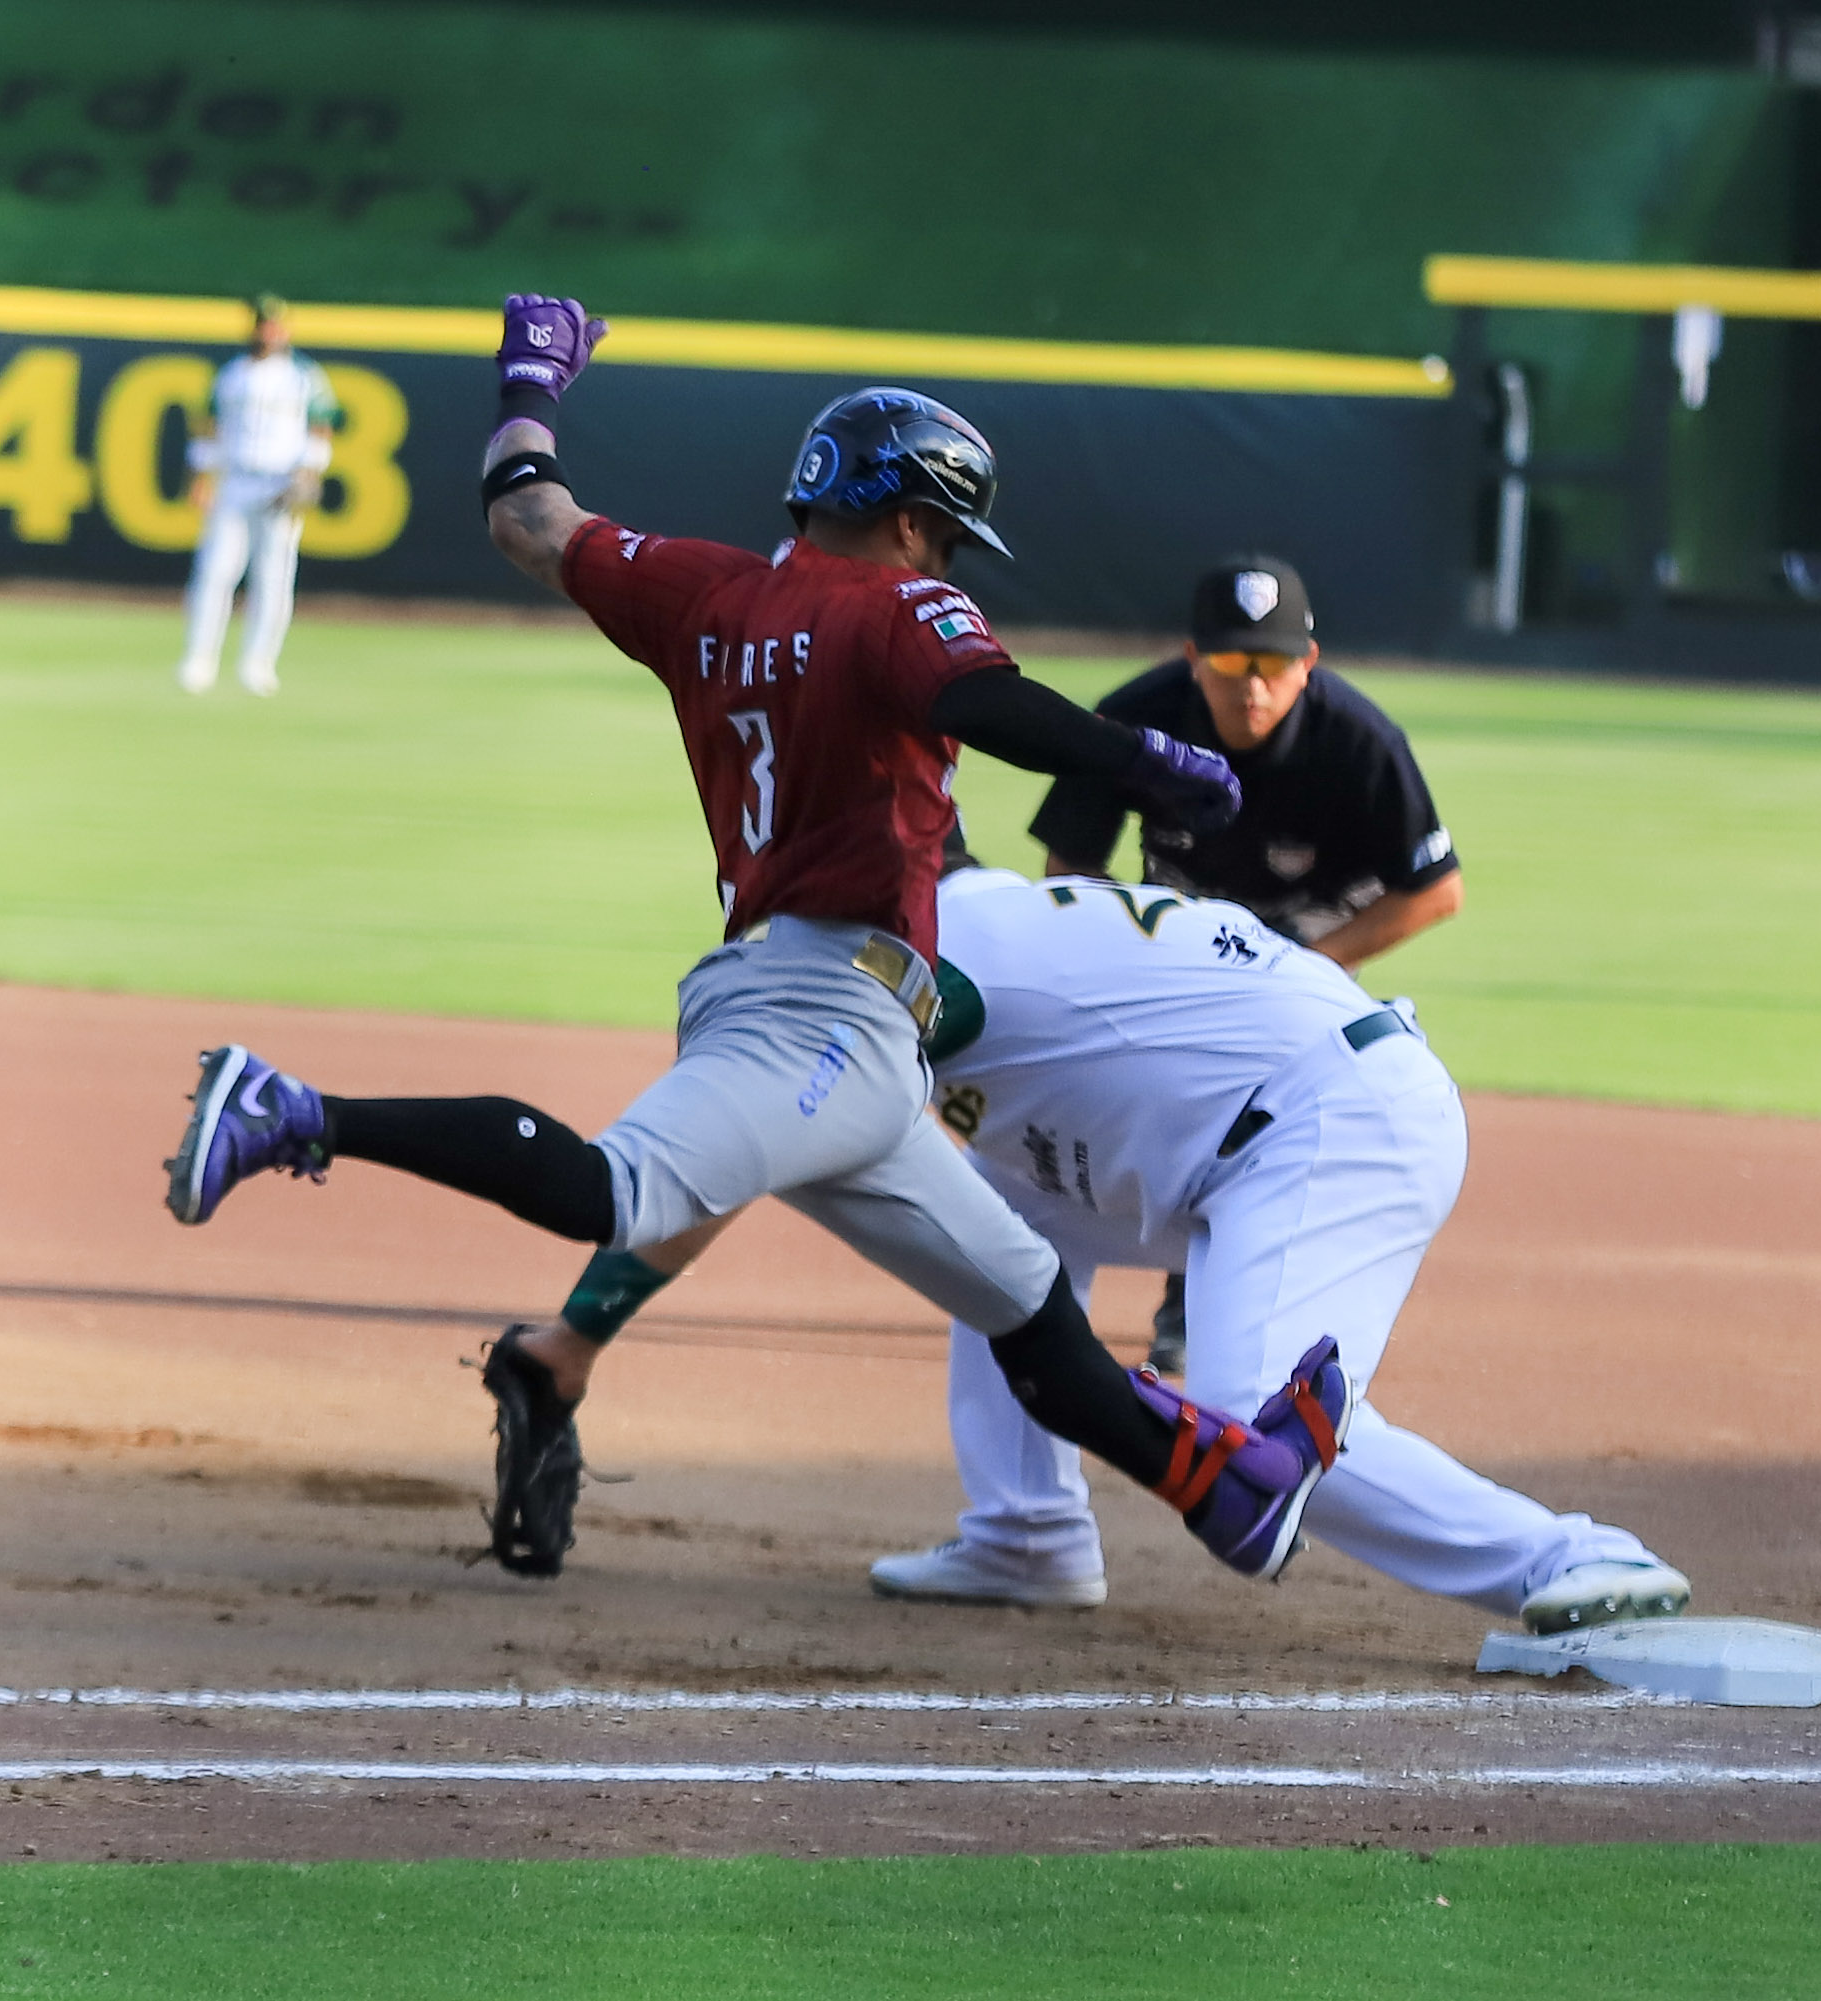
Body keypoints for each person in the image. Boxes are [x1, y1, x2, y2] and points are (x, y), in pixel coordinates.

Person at [164, 293, 1350, 1593]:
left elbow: (528, 518)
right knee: (607, 1191)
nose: (949, 562)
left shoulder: (703, 589)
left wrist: (530, 387)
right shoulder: (901, 607)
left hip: (836, 1029)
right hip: (824, 1010)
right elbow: (991, 703)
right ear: (909, 521)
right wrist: (1151, 766)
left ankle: (1228, 1490)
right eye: (947, 537)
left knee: (1028, 1304)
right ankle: (291, 1109)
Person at [507, 849, 1691, 1636]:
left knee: (1243, 1432)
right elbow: (760, 1146)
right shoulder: (958, 921)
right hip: (1206, 1141)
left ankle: (1565, 1556)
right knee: (994, 1229)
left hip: (1330, 1124)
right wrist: (578, 1337)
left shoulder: (928, 953)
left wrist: (577, 1333)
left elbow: (742, 1143)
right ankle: (1027, 1536)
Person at [1029, 556, 1465, 1378]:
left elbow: (1436, 890)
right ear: (1195, 658)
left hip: (1313, 929)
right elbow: (1070, 869)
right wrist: (1114, 956)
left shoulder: (1361, 741)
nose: (1251, 687)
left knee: (1266, 1108)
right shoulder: (1134, 718)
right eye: (1231, 664)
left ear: (1309, 664)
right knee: (1151, 1091)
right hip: (1189, 926)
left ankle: (1210, 1303)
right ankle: (1060, 1287)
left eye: (1272, 666)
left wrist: (1304, 963)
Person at [174, 294, 337, 697]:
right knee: (215, 571)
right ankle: (200, 659)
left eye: (275, 325)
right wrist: (199, 476)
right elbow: (209, 429)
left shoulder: (304, 376)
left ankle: (258, 663)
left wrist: (308, 473)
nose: (268, 332)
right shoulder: (231, 374)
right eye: (262, 324)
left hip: (280, 483)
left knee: (273, 576)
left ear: (286, 329)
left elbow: (320, 427)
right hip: (235, 479)